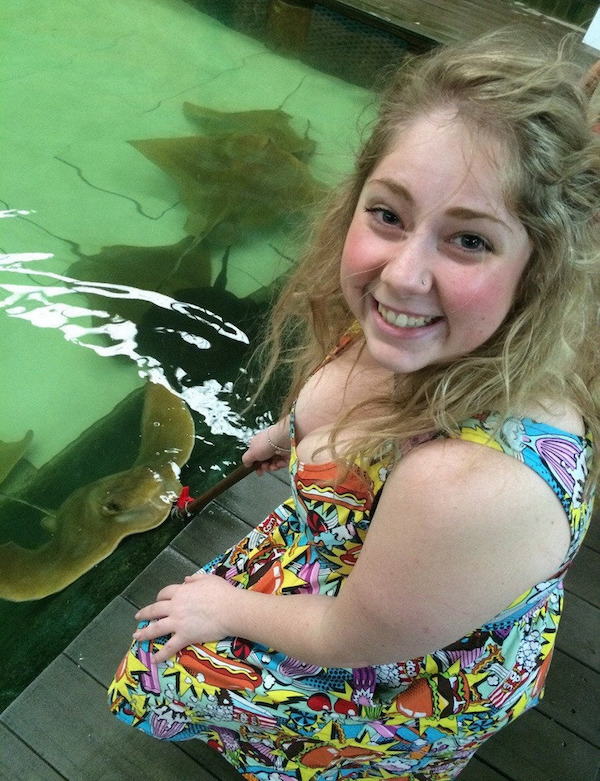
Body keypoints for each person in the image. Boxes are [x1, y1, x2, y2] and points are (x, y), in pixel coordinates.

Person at [108, 29, 600, 780]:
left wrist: (226, 608)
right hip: (372, 564)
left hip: (391, 654)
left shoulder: (471, 486)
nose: (402, 276)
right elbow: (353, 403)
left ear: (540, 266)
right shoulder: (425, 331)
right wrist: (292, 429)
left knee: (172, 655)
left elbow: (353, 636)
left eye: (469, 240)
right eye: (389, 214)